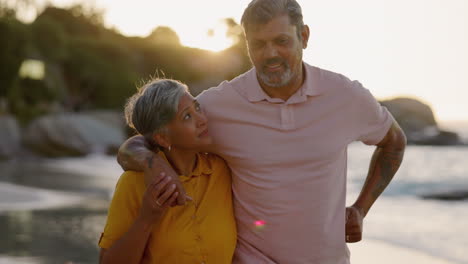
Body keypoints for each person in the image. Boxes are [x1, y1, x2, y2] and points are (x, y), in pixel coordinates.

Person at [118, 0, 407, 263]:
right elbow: (142, 141)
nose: (270, 54)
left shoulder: (345, 96)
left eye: (281, 41)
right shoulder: (218, 105)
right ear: (247, 45)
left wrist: (360, 208)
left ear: (304, 37)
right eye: (258, 44)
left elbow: (394, 141)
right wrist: (154, 165)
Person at [98, 79, 237, 264]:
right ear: (162, 138)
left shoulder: (222, 170)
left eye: (197, 108)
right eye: (187, 116)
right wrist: (146, 219)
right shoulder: (133, 183)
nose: (202, 120)